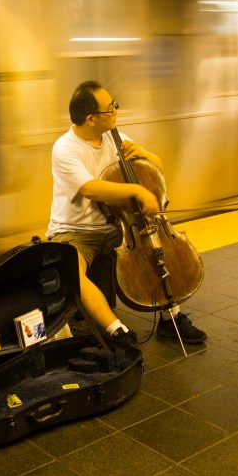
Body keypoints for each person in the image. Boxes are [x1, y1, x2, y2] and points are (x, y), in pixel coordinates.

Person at [47, 80, 207, 346]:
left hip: (118, 226)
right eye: (111, 108)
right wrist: (136, 190)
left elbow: (156, 169)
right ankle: (117, 330)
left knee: (156, 250)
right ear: (91, 119)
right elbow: (90, 189)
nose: (116, 111)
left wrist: (144, 153)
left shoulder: (114, 136)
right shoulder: (65, 148)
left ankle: (171, 318)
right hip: (77, 230)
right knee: (71, 271)